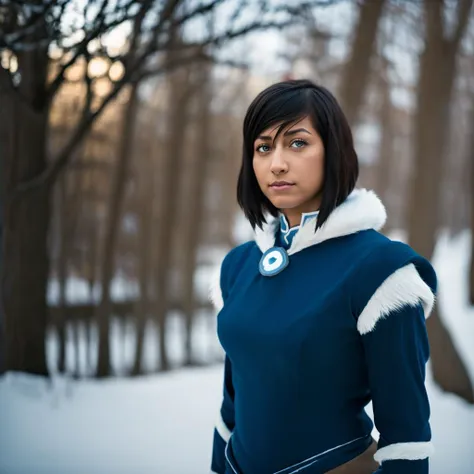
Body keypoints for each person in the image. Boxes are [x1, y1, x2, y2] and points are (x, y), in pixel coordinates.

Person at [208, 79, 436, 474]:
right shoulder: (238, 266)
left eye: (297, 143)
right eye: (263, 147)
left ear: (334, 151)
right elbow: (233, 399)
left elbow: (406, 432)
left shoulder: (382, 270)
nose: (277, 162)